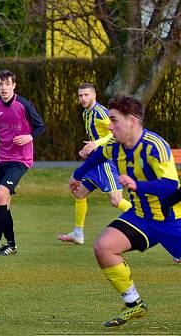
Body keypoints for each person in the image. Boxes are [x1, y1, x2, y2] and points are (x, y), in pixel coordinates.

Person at [69, 95, 181, 327]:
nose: (109, 126)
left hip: (172, 218)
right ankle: (134, 304)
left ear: (131, 121)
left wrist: (137, 185)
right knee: (103, 247)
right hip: (140, 217)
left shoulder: (155, 145)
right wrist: (77, 175)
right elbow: (99, 155)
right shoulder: (115, 146)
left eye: (114, 120)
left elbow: (170, 184)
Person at [0, 69, 45, 257]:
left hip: (21, 159)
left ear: (14, 85)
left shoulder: (24, 105)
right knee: (4, 203)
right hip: (3, 158)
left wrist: (29, 137)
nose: (3, 88)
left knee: (0, 195)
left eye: (7, 84)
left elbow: (41, 126)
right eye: (0, 84)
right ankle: (11, 244)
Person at [57, 83, 131, 245]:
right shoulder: (86, 113)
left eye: (86, 95)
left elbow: (117, 133)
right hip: (95, 162)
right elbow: (95, 138)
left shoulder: (100, 112)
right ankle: (78, 233)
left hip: (106, 162)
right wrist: (88, 149)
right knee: (78, 193)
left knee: (116, 201)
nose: (83, 98)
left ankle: (147, 220)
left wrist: (96, 144)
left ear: (94, 96)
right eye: (80, 96)